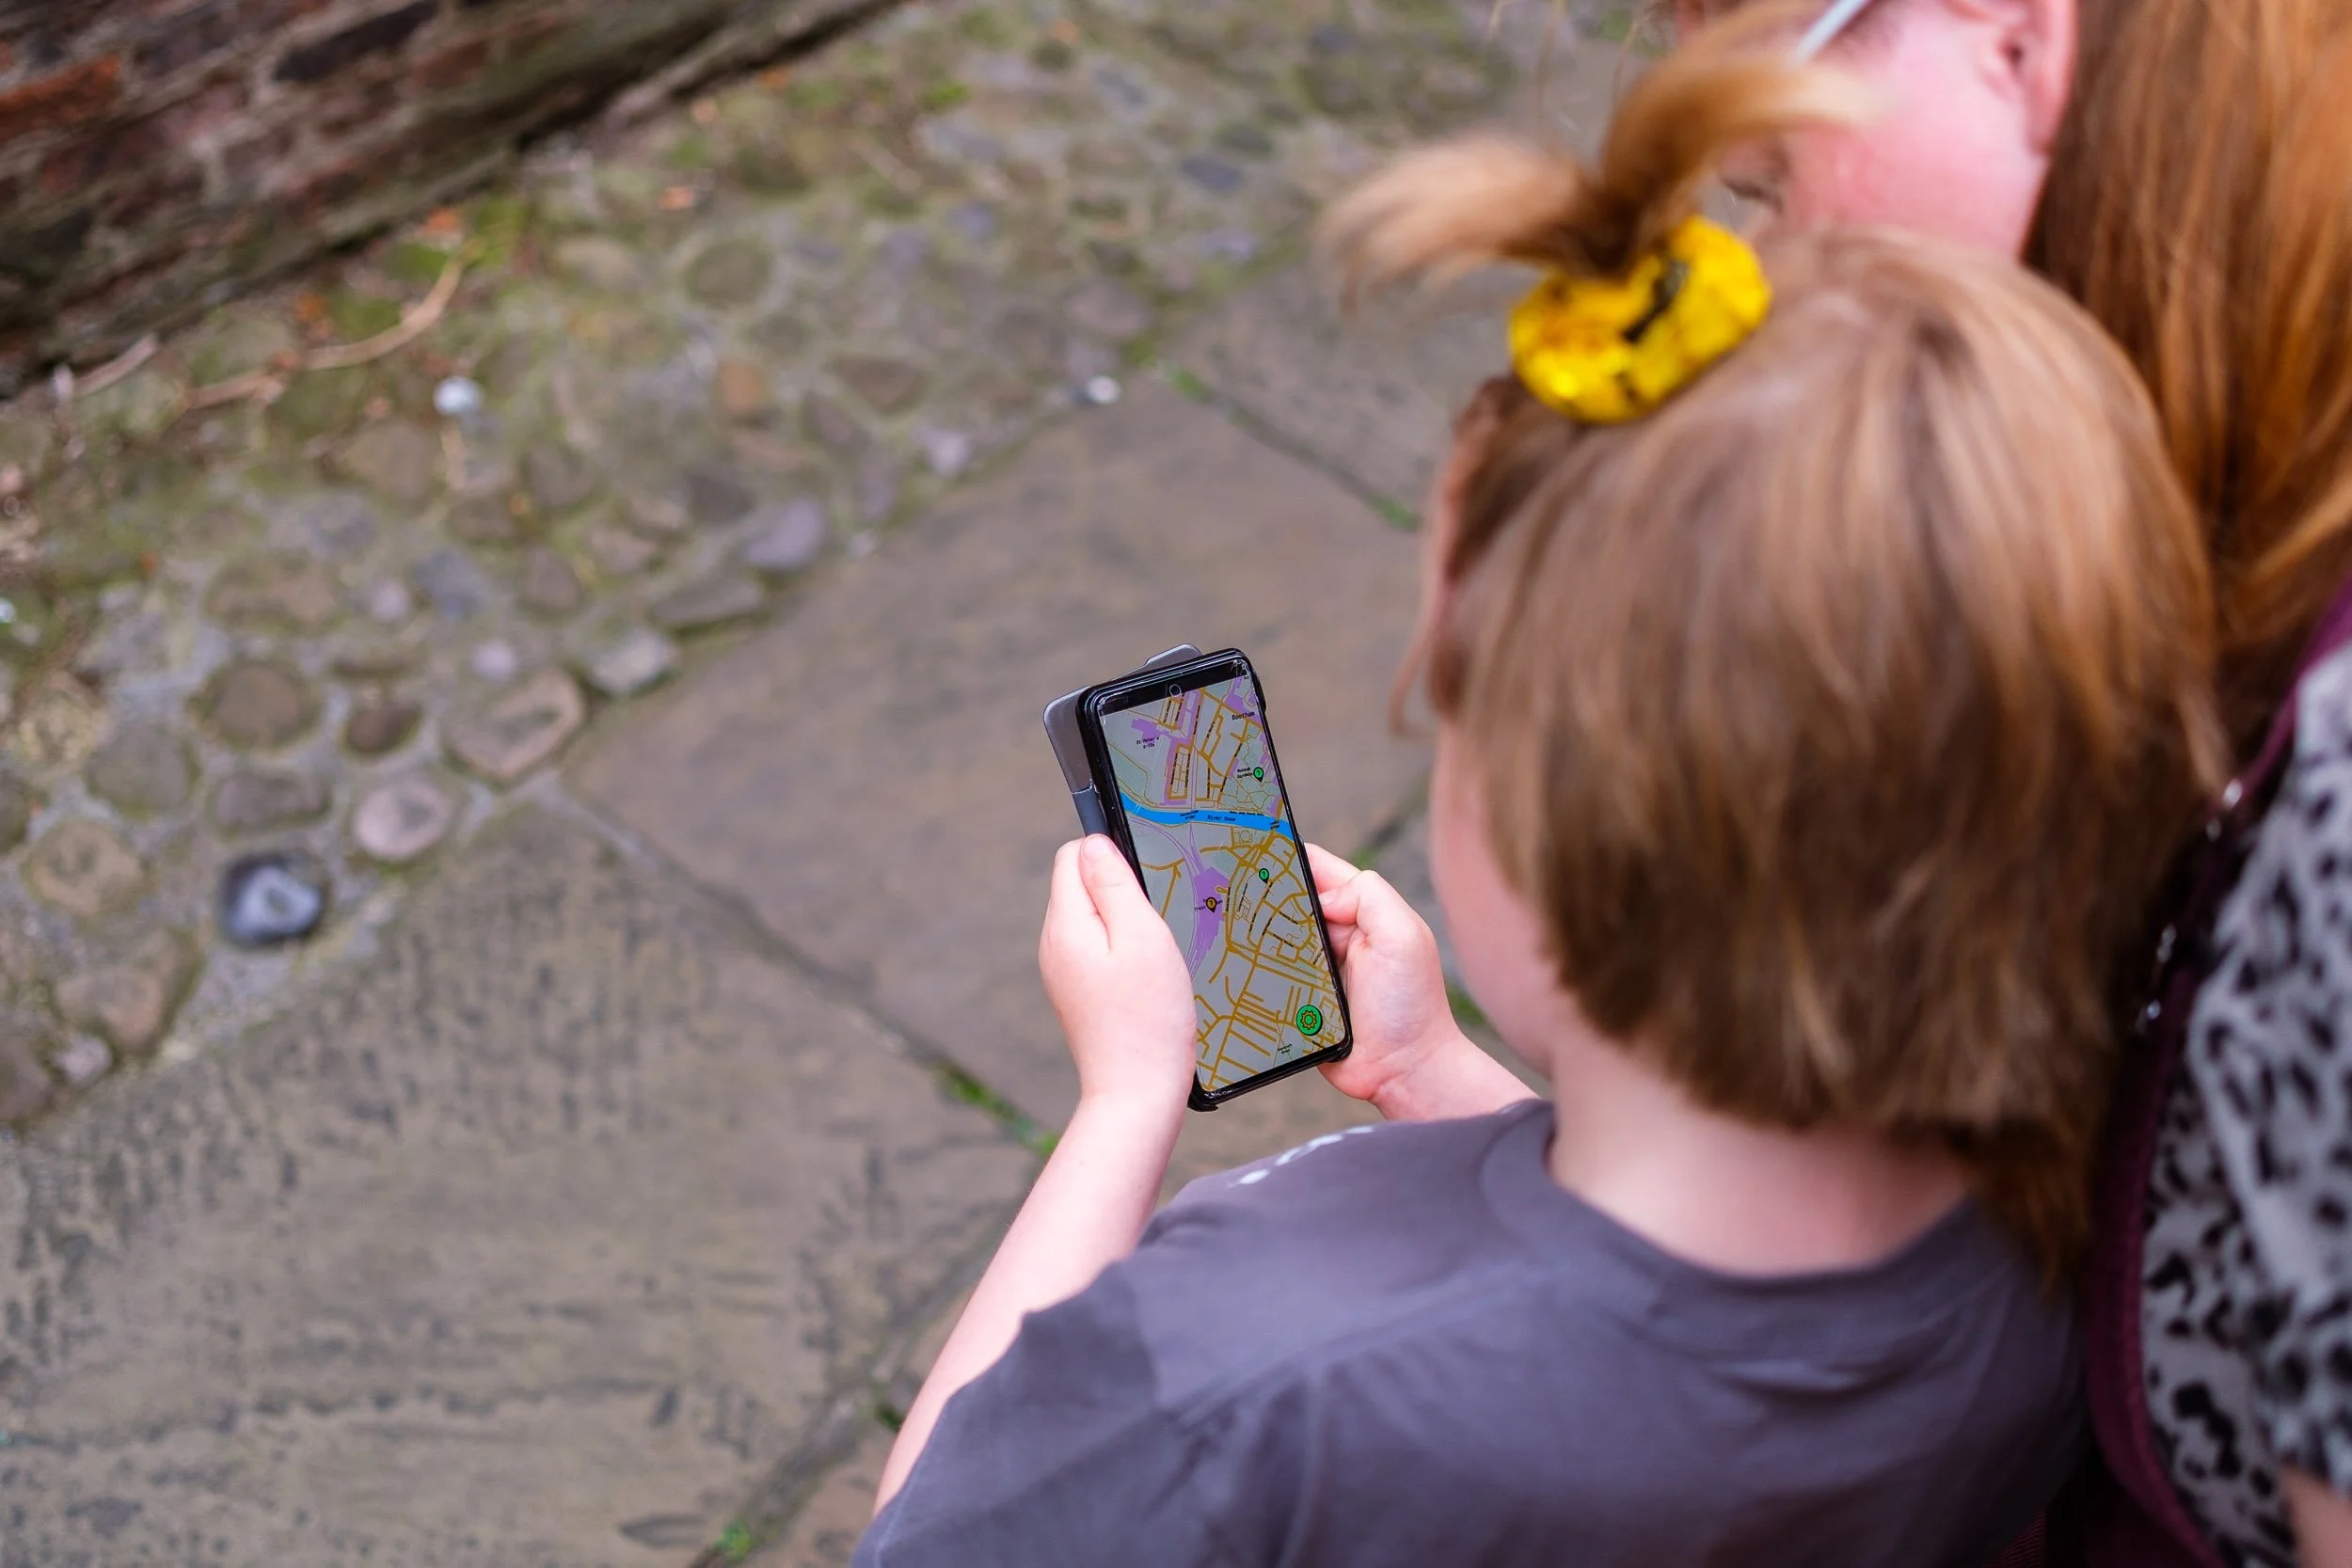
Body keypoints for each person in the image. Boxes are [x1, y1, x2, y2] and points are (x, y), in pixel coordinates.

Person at [853, 30, 2223, 1565]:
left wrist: (1124, 1107)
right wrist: (1436, 1069)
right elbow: (1690, 1307)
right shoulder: (2073, 1236)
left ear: (1538, 831)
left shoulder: (1238, 1376)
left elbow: (934, 1533)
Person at [1325, 2, 2352, 1561]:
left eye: (1771, 184)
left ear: (2018, 37)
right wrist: (1452, 1087)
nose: (1769, 267)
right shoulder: (2096, 575)